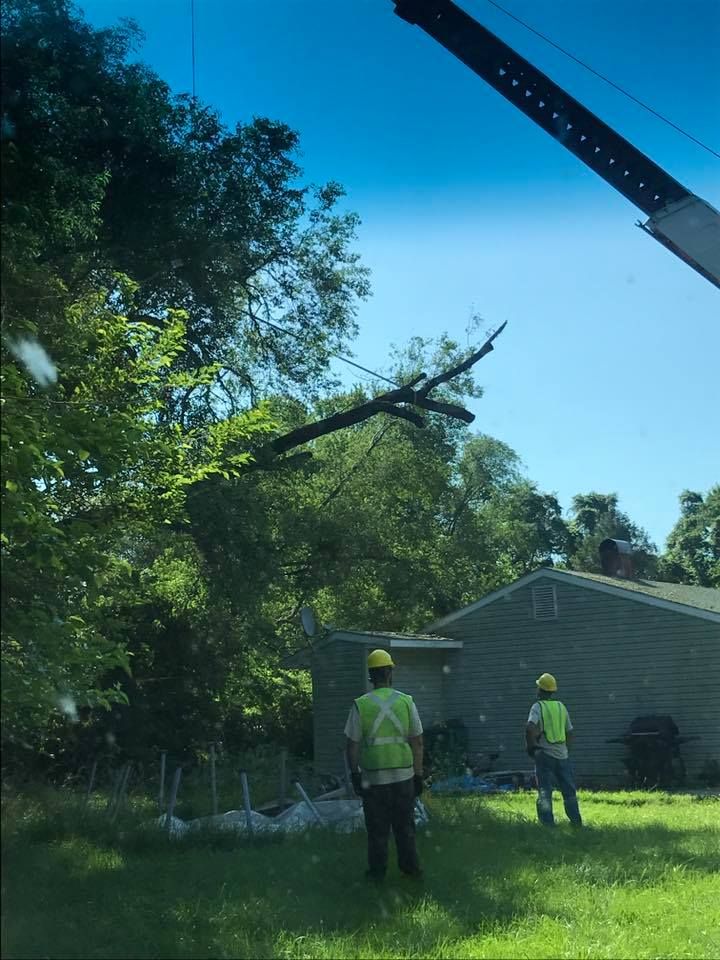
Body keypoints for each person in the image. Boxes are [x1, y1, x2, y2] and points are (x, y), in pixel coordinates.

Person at [345, 649, 424, 880]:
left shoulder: (361, 705)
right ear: (390, 672)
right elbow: (417, 741)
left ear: (371, 676)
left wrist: (354, 774)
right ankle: (410, 870)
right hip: (404, 777)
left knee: (377, 830)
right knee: (405, 828)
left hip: (373, 780)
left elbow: (352, 745)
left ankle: (377, 873)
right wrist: (418, 775)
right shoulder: (406, 702)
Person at [526, 672, 583, 828]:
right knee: (569, 792)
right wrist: (566, 750)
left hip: (544, 755)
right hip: (562, 755)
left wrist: (532, 747)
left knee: (545, 791)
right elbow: (570, 732)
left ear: (540, 690)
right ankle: (576, 823)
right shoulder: (561, 706)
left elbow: (530, 727)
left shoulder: (538, 707)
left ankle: (548, 825)